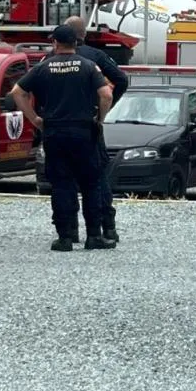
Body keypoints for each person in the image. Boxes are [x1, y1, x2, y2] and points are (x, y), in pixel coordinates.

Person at [11, 25, 115, 252]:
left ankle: (65, 237)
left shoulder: (43, 67)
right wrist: (100, 117)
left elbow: (17, 92)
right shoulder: (88, 66)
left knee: (61, 184)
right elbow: (106, 94)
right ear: (76, 43)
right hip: (84, 132)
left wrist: (35, 119)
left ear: (55, 43)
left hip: (55, 133)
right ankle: (94, 236)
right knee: (91, 184)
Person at [63, 15, 129, 242]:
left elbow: (26, 89)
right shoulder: (95, 57)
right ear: (84, 35)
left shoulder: (50, 58)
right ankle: (106, 228)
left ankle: (68, 232)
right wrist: (103, 113)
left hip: (58, 127)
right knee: (96, 179)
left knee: (64, 181)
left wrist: (43, 115)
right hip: (89, 126)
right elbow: (121, 80)